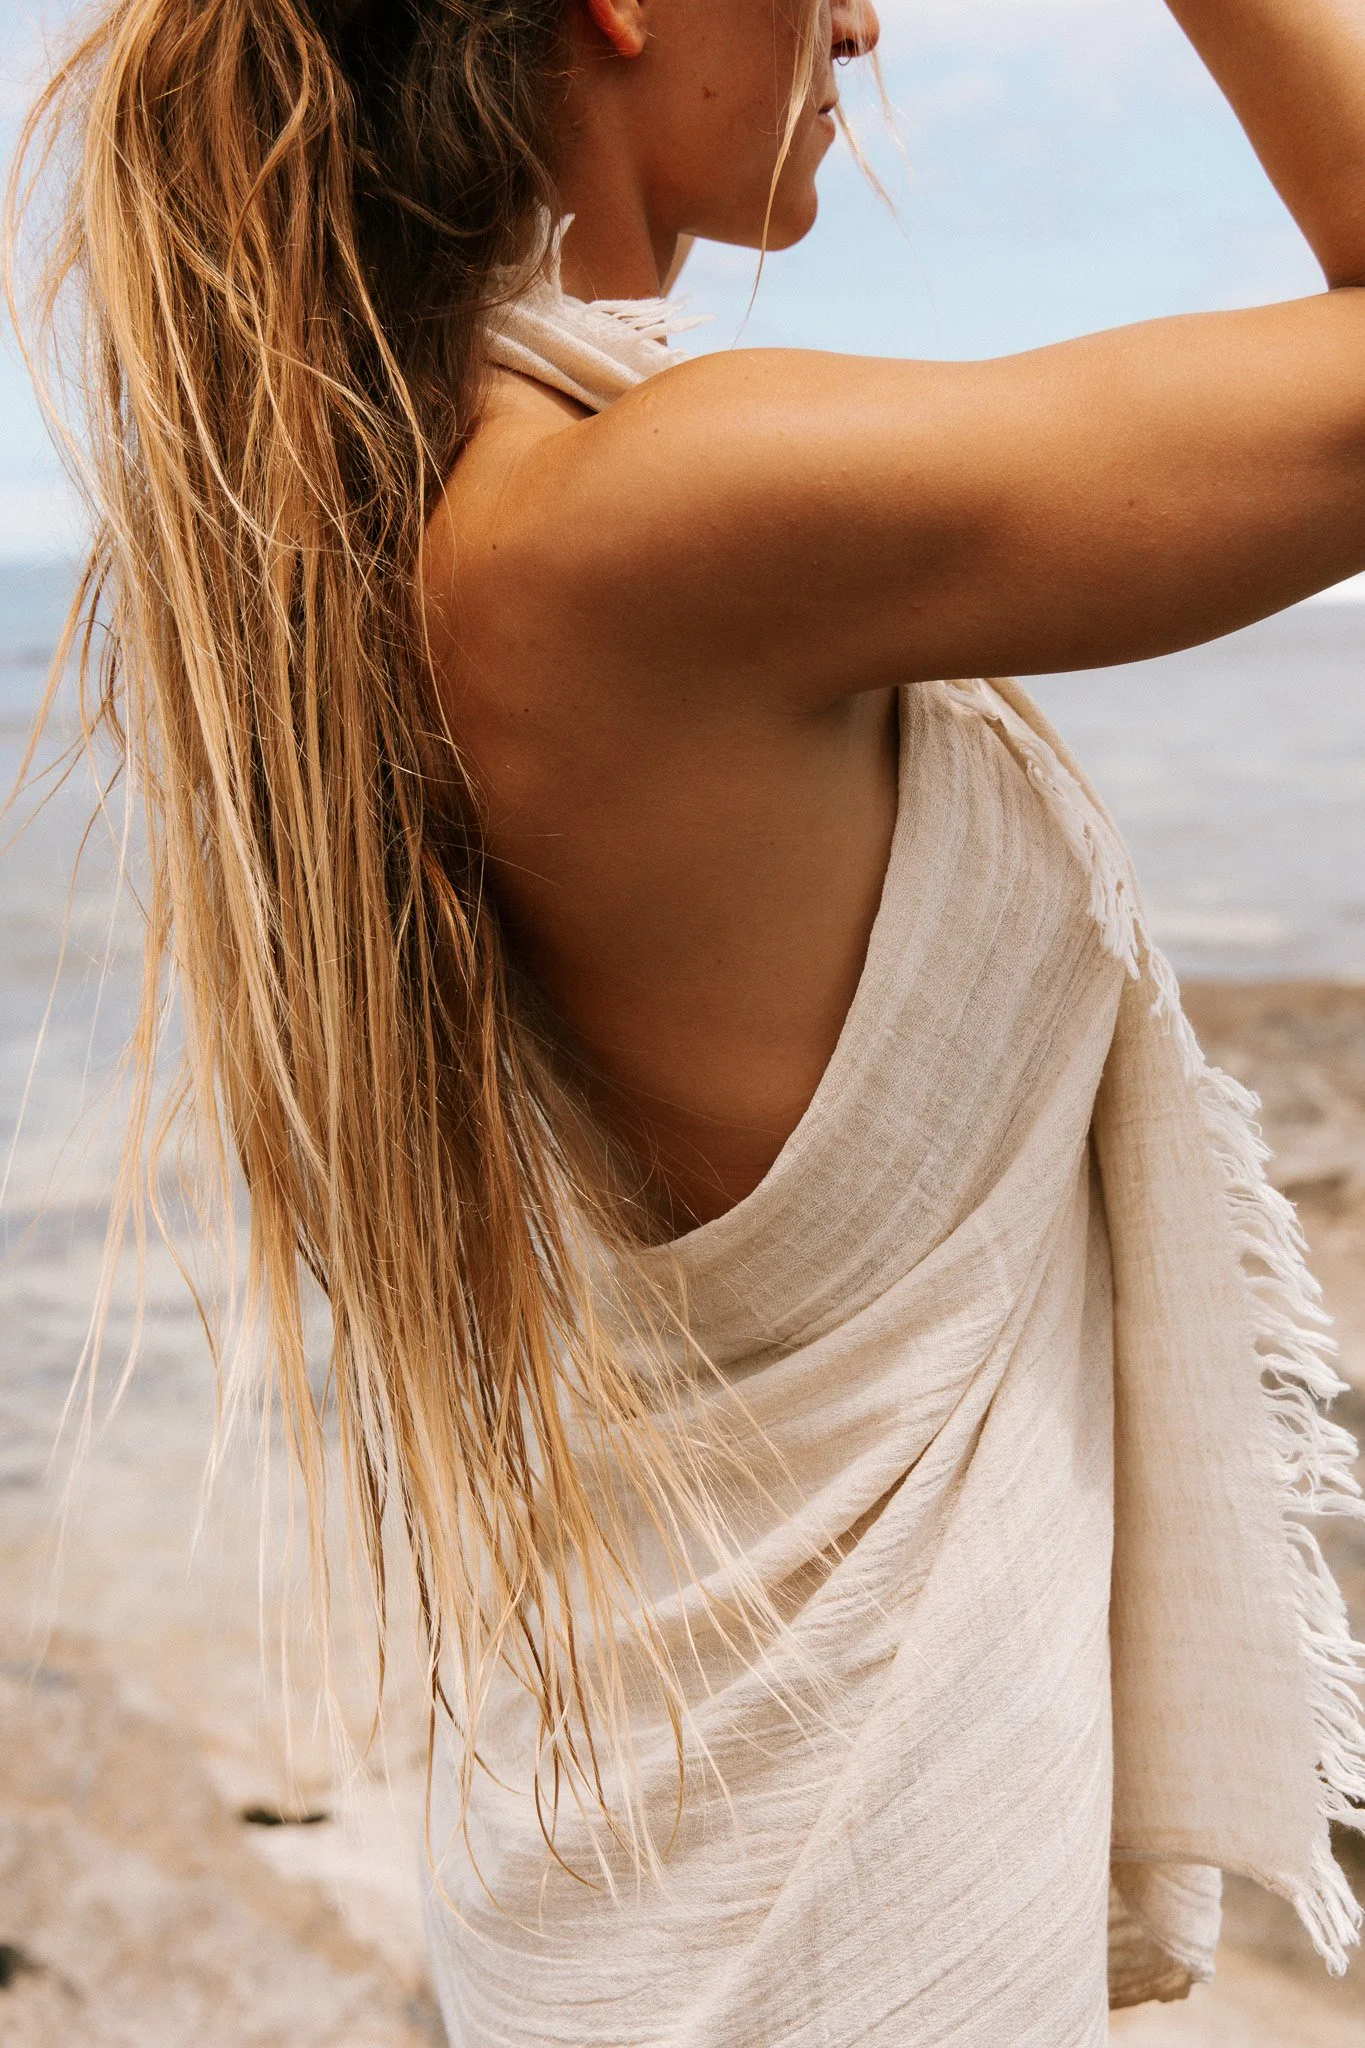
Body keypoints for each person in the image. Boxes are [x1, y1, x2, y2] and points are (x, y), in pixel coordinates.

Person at [10, 0, 1365, 2040]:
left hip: (659, 1900)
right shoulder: (642, 524)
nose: (862, 19)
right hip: (812, 1951)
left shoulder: (397, 529)